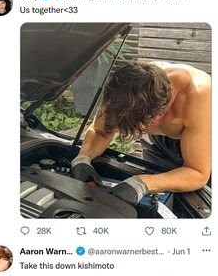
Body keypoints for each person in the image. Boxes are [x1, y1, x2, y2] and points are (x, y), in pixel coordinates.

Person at [71, 61, 211, 206]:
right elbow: (100, 132)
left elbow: (197, 173)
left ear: (157, 117)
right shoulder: (122, 90)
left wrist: (142, 183)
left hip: (202, 137)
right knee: (159, 194)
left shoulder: (199, 97)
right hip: (158, 141)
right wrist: (82, 158)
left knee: (200, 199)